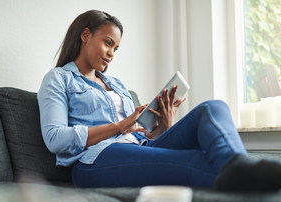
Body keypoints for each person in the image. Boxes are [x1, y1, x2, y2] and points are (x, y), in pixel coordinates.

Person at [38, 10, 281, 191]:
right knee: (196, 160)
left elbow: (140, 135)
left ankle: (239, 166)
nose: (112, 53)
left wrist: (165, 124)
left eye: (116, 48)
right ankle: (252, 178)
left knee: (213, 107)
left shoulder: (117, 85)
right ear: (85, 35)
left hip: (139, 147)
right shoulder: (59, 79)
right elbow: (55, 139)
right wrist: (118, 126)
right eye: (108, 43)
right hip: (94, 161)